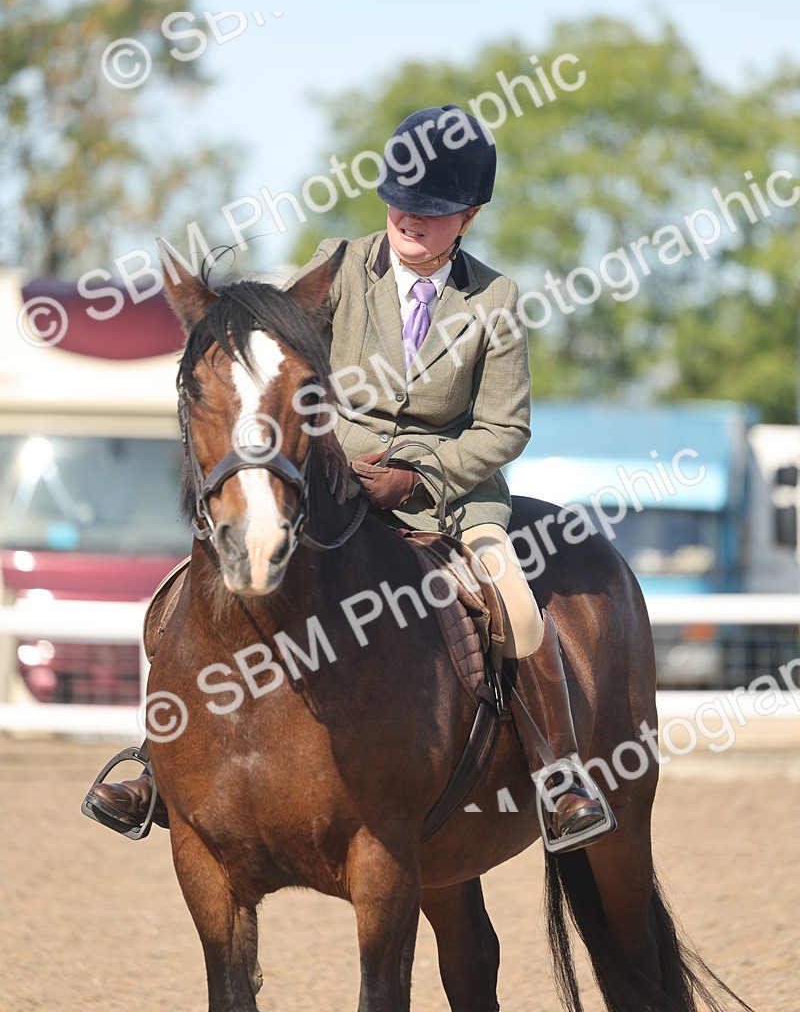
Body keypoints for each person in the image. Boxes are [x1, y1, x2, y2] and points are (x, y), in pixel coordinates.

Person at [85, 104, 613, 852]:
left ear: (467, 216)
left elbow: (505, 428)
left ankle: (559, 778)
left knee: (518, 608)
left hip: (455, 503)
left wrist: (416, 474)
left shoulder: (494, 301)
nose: (408, 219)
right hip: (337, 487)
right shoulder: (338, 265)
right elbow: (278, 348)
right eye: (400, 202)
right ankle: (153, 763)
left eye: (429, 213)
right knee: (189, 589)